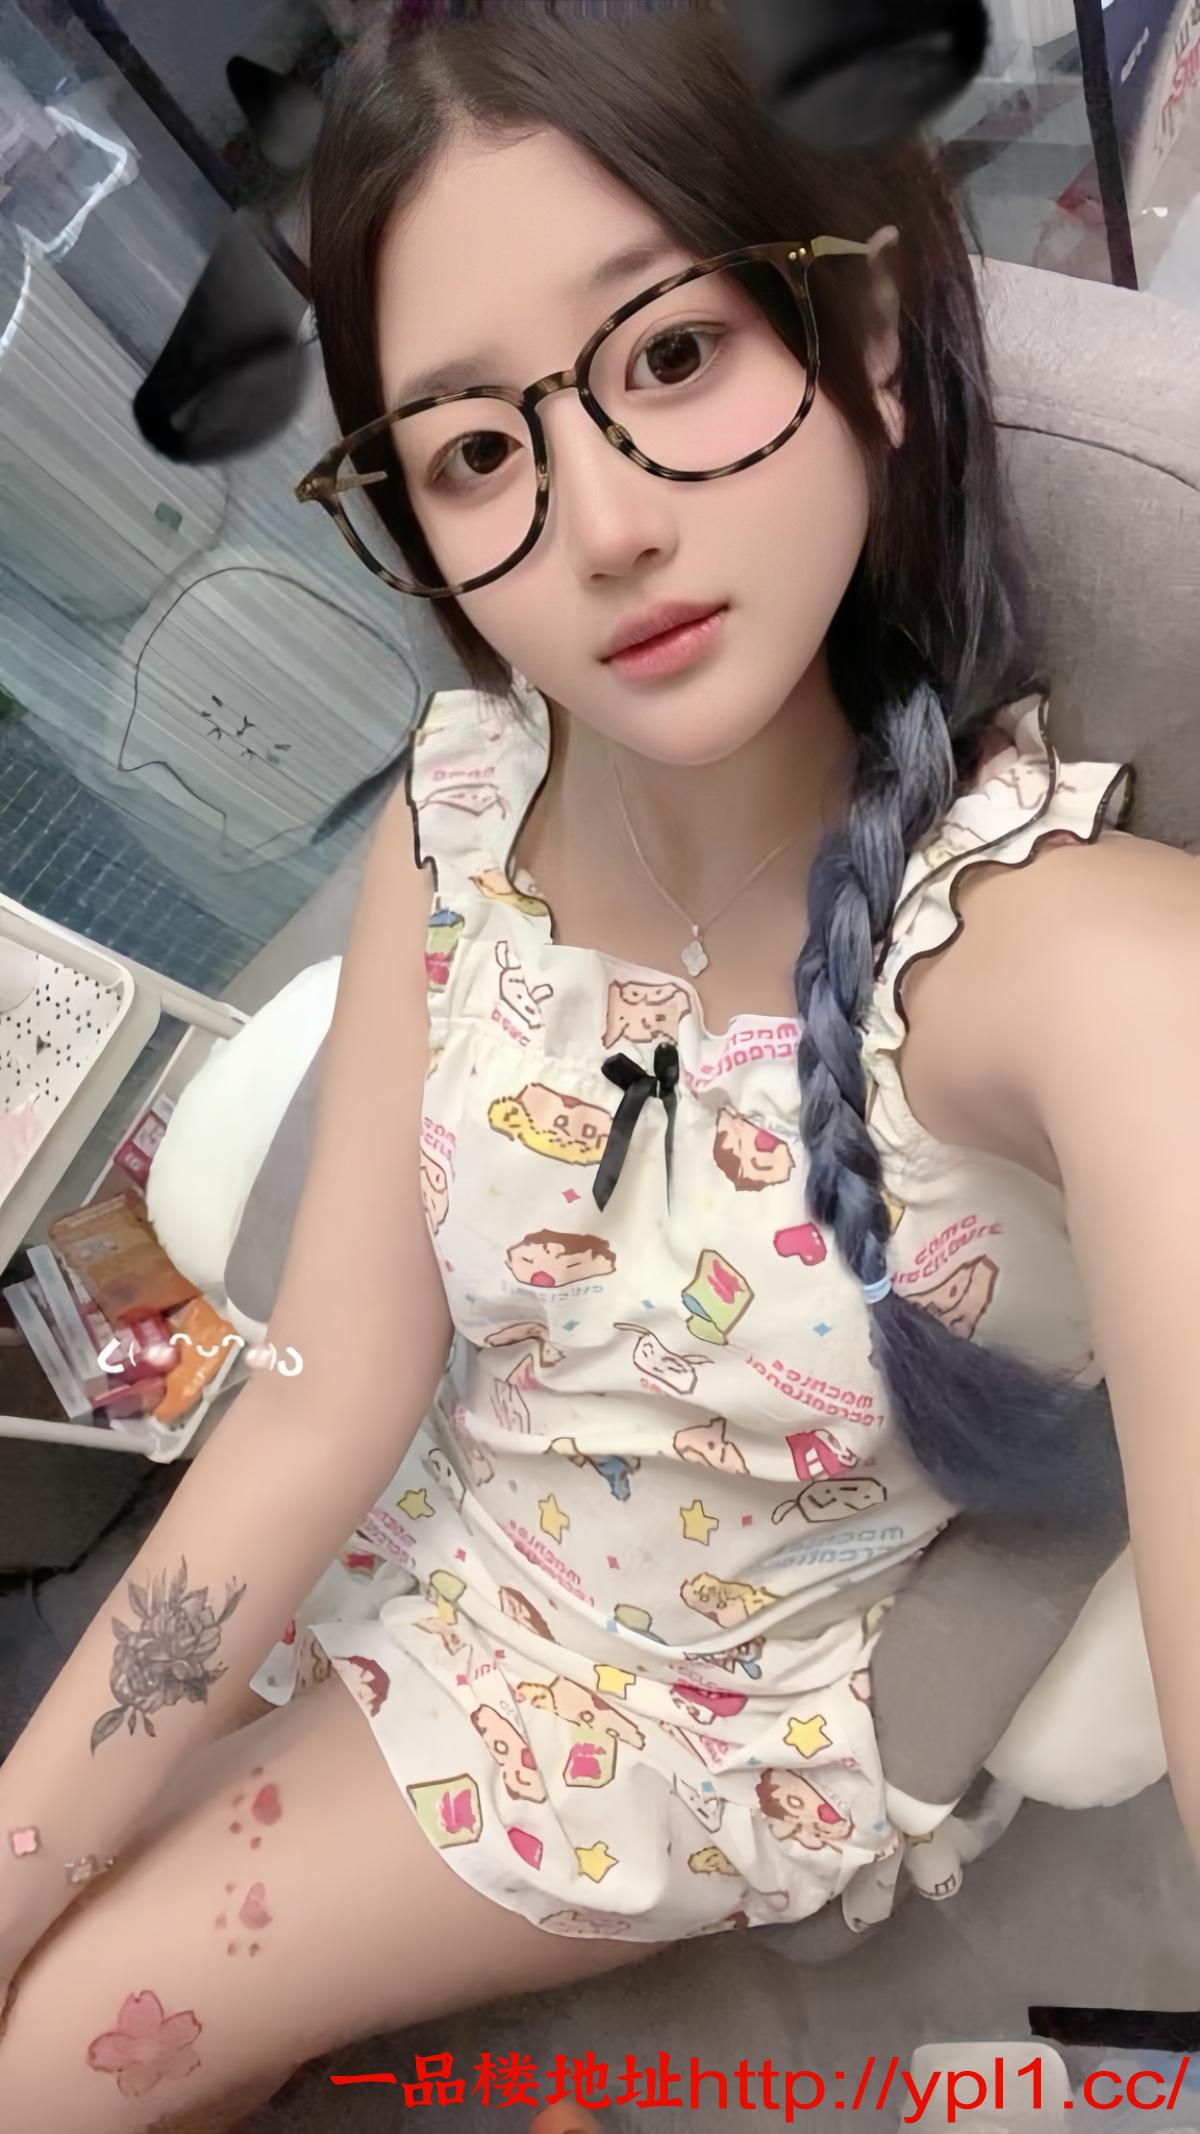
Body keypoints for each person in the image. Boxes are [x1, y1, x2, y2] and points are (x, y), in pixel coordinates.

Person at [1, 3, 1197, 2127]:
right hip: (419, 1518)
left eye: (671, 354)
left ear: (873, 344)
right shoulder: (461, 804)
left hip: (650, 1709)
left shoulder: (1085, 966)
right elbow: (326, 1406)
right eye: (475, 451)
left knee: (52, 2059)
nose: (605, 521)